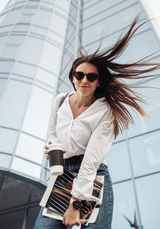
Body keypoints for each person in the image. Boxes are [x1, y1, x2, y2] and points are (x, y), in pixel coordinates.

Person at [34, 15, 160, 229]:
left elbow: (92, 159)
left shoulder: (105, 111)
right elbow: (54, 134)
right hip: (63, 175)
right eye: (80, 75)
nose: (84, 80)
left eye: (91, 77)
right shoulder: (60, 101)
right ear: (72, 77)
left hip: (93, 178)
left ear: (98, 81)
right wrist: (52, 147)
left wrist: (76, 203)